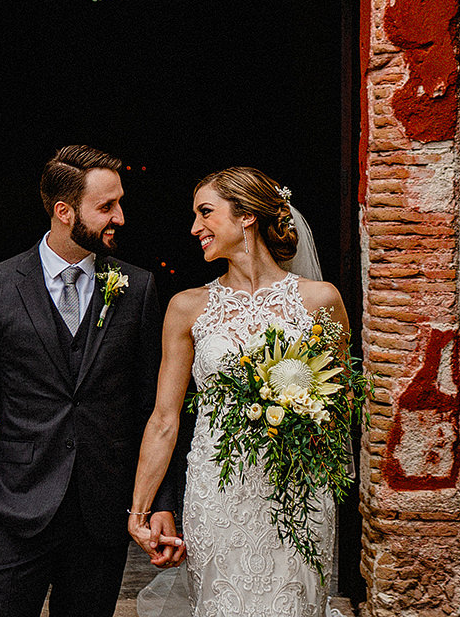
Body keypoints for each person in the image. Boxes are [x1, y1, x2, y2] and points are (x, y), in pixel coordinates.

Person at [0, 144, 185, 617]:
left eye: (119, 203)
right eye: (106, 206)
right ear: (64, 211)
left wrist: (160, 501)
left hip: (102, 514)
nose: (120, 217)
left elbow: (152, 407)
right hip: (14, 511)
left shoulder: (137, 288)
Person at [127, 167, 350, 617]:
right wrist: (139, 510)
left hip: (297, 495)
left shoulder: (320, 300)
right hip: (217, 494)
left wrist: (300, 424)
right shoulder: (187, 307)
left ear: (246, 216)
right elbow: (164, 419)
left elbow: (341, 405)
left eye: (206, 212)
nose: (195, 228)